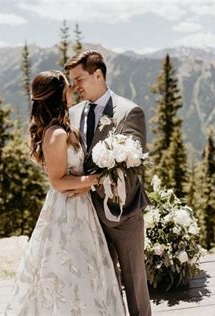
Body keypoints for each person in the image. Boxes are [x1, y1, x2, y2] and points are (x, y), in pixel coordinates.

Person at [5, 70, 125, 315]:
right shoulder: (56, 134)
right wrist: (96, 179)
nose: (71, 90)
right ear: (58, 95)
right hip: (67, 211)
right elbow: (58, 181)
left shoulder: (61, 127)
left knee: (84, 270)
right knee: (70, 269)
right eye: (67, 87)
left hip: (80, 206)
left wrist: (84, 184)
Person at [64, 50, 151, 316]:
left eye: (79, 79)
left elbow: (132, 164)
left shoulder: (128, 111)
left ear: (98, 74)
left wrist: (89, 182)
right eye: (71, 81)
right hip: (88, 213)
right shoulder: (73, 113)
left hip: (124, 211)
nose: (75, 86)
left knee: (134, 282)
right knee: (101, 283)